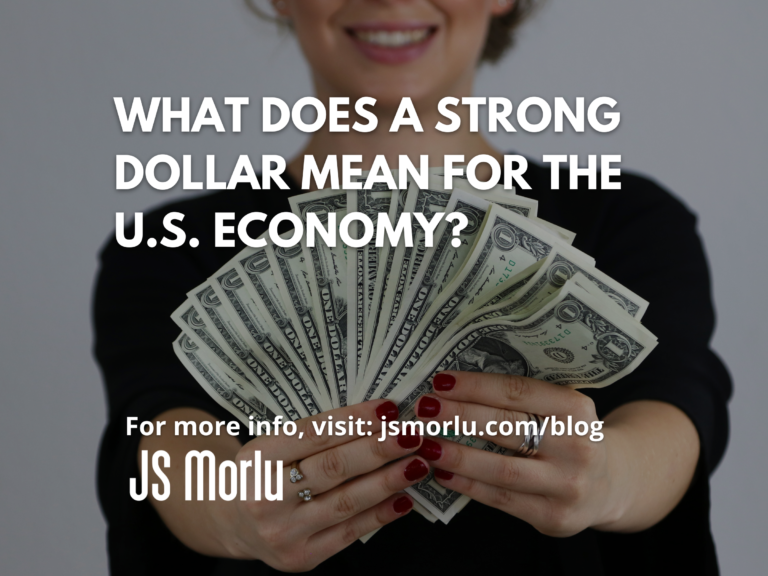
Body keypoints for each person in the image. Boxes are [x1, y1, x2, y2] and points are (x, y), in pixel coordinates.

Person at [94, 1, 731, 574]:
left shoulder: (628, 220)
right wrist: (230, 511)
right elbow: (163, 435)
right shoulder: (167, 243)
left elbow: (673, 407)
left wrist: (610, 475)